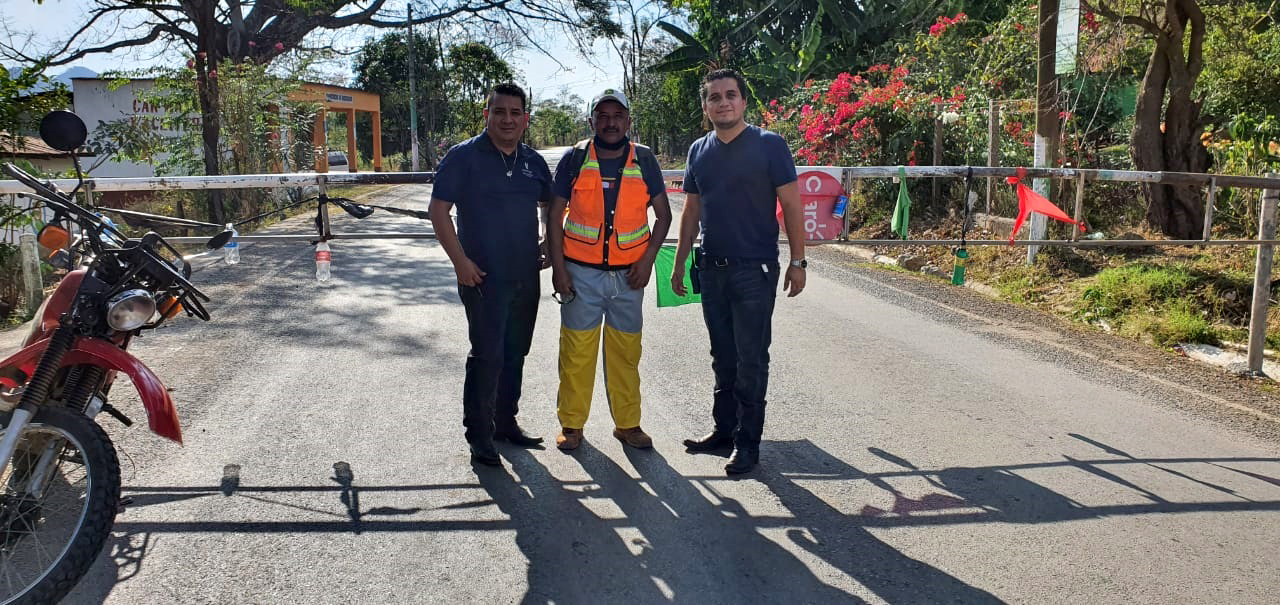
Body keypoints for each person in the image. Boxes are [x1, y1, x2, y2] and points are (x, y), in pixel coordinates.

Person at [670, 69, 807, 475]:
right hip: (711, 268)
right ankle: (723, 432)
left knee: (751, 359)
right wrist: (678, 264)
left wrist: (798, 262)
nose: (723, 102)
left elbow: (793, 206)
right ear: (705, 106)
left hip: (755, 271)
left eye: (731, 95)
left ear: (744, 102)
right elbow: (691, 211)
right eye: (714, 97)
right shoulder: (699, 150)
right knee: (722, 357)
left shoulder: (769, 145)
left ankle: (748, 445)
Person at [428, 83, 552, 467]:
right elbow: (438, 211)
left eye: (516, 113)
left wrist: (548, 235)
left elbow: (550, 203)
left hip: (526, 275)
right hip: (481, 277)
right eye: (500, 112)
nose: (508, 119)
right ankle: (479, 436)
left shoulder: (533, 161)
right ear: (487, 115)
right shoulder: (463, 157)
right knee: (487, 355)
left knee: (516, 351)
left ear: (525, 119)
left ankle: (505, 423)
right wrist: (460, 262)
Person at [546, 89, 673, 451]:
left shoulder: (644, 159)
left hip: (629, 277)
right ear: (592, 121)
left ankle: (628, 424)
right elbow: (555, 215)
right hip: (580, 274)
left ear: (629, 121)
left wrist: (647, 261)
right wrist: (559, 269)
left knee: (626, 353)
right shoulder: (574, 158)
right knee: (576, 353)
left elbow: (664, 216)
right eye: (603, 115)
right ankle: (572, 426)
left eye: (618, 115)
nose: (611, 122)